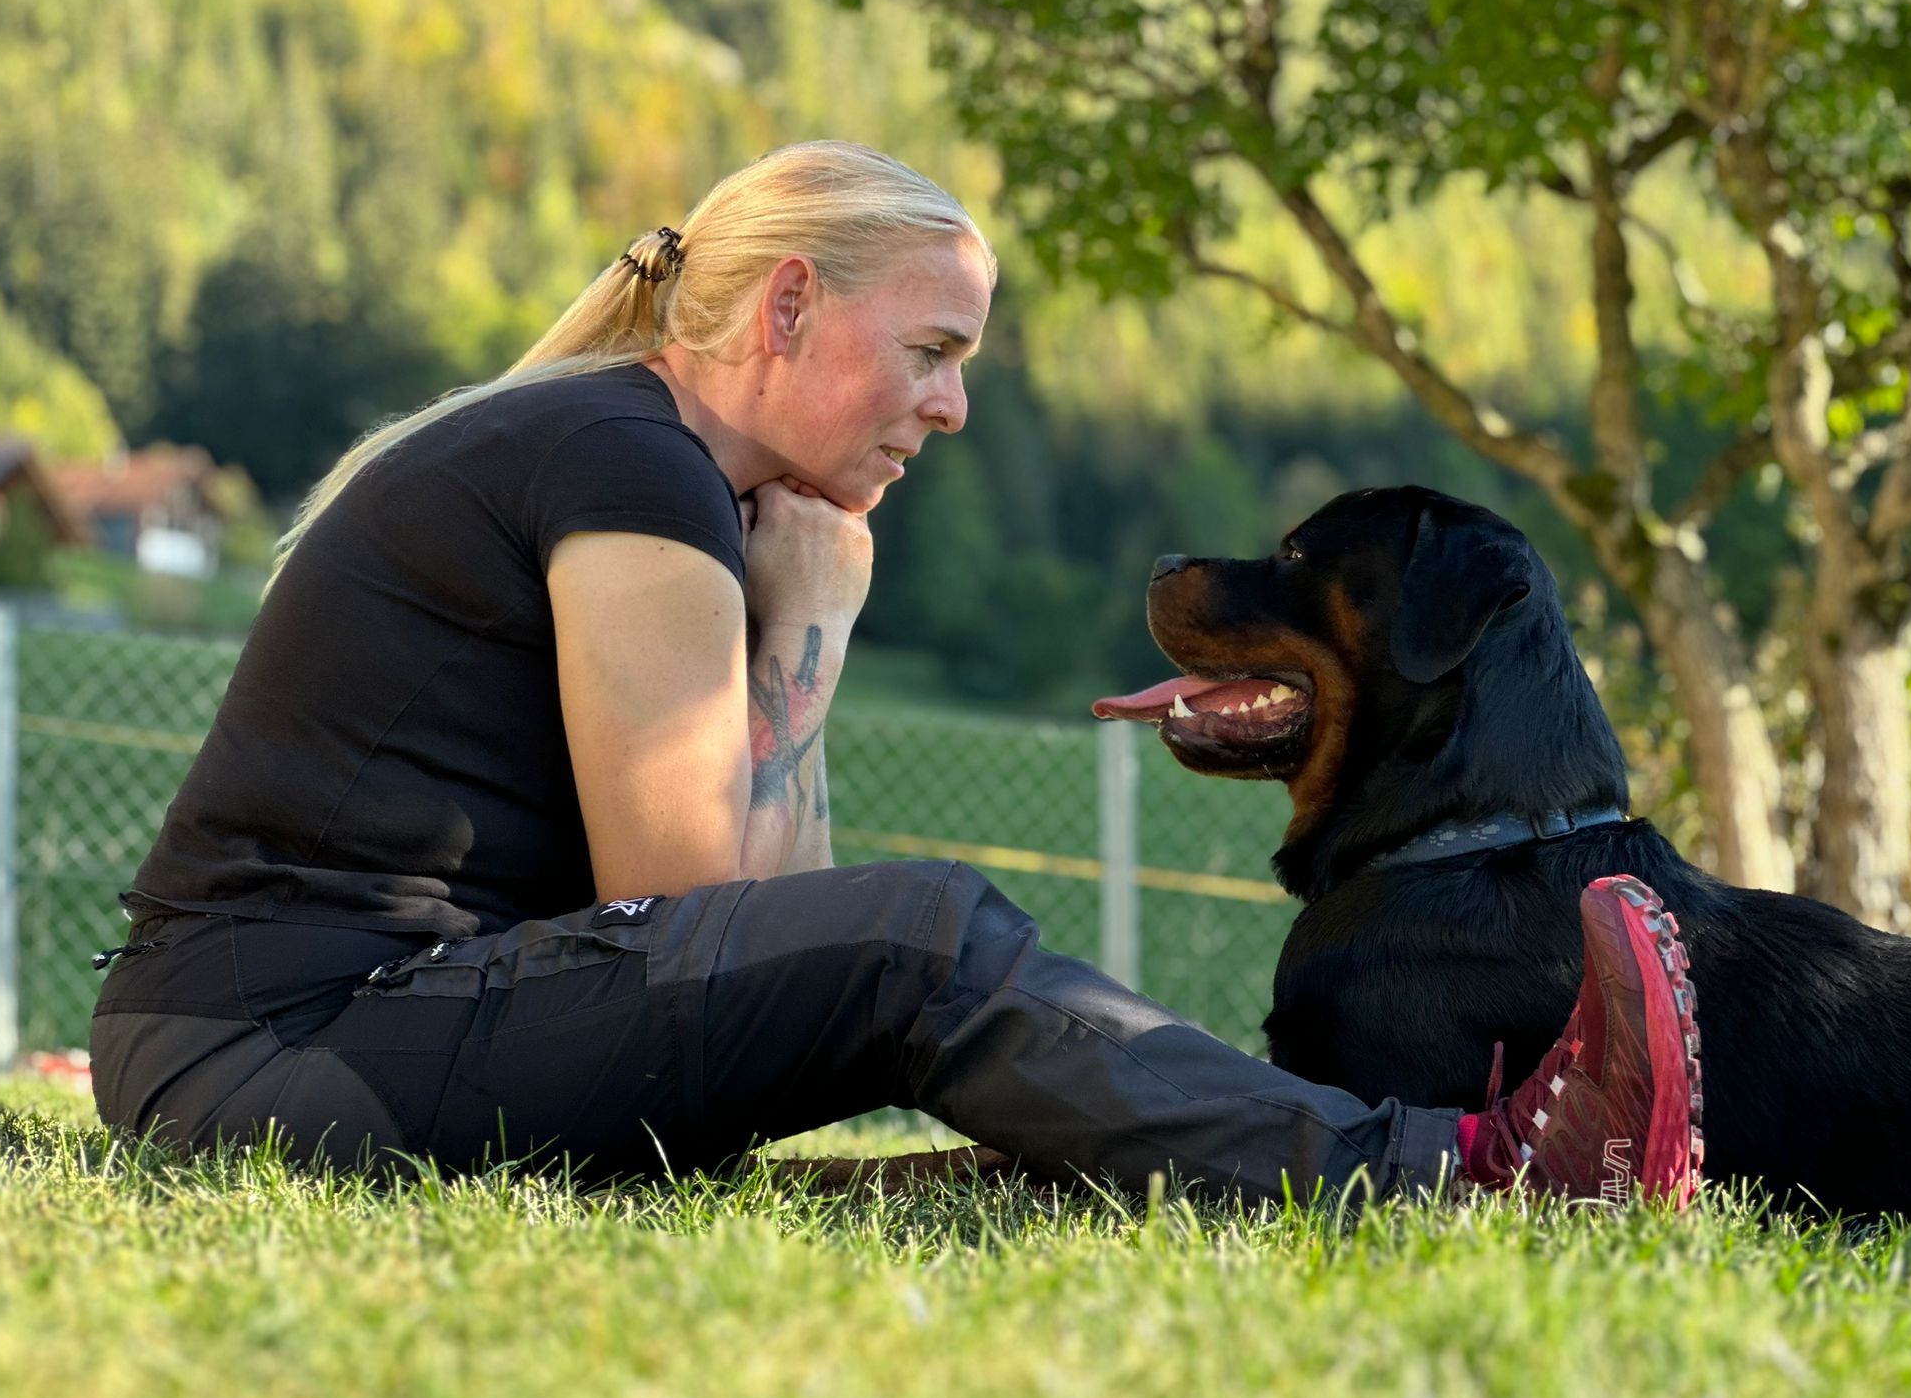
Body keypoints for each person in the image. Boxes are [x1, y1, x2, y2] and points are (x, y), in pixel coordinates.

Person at [88, 141, 1701, 1208]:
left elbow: (750, 949)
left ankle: (1319, 1156)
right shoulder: (622, 462)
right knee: (920, 930)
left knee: (903, 946)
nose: (952, 408)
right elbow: (690, 912)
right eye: (933, 352)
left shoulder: (672, 480)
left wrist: (802, 601)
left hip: (303, 1049)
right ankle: (1458, 1171)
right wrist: (815, 619)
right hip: (285, 1053)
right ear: (788, 305)